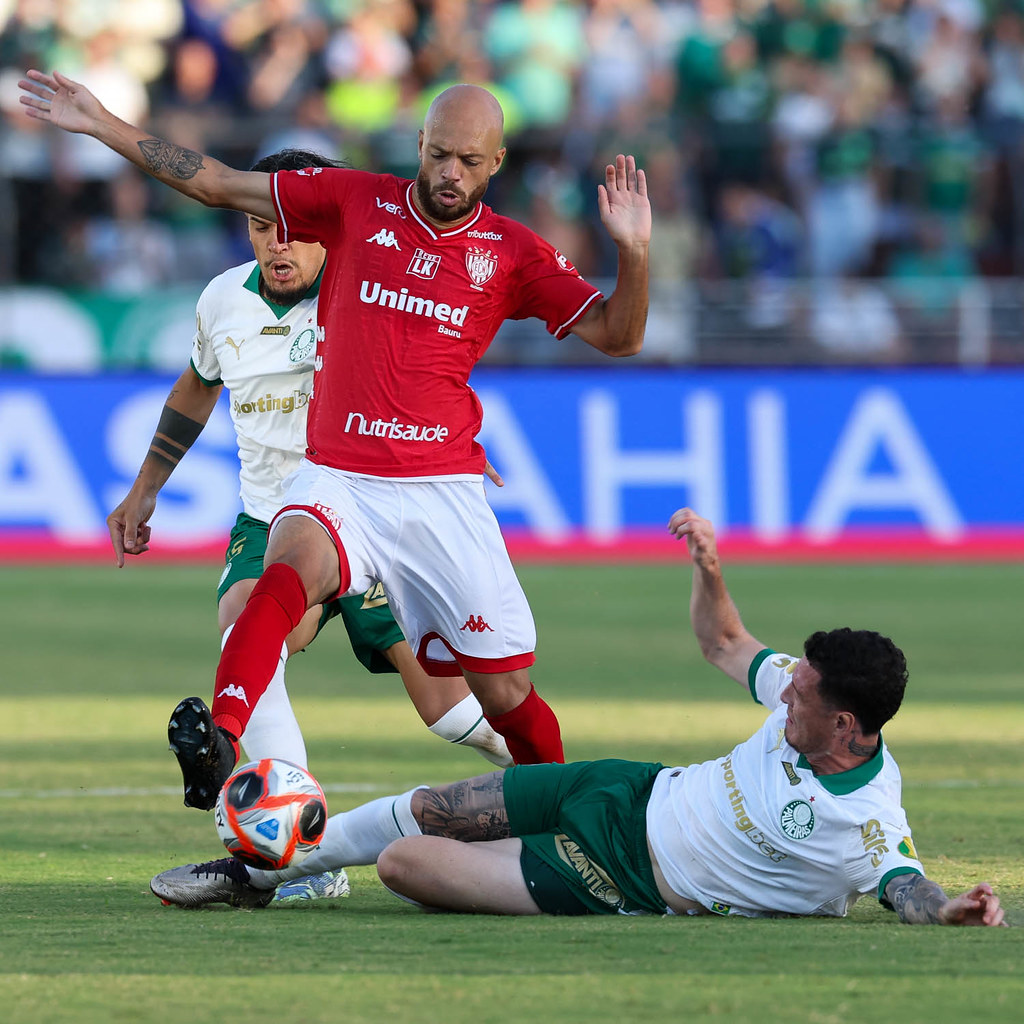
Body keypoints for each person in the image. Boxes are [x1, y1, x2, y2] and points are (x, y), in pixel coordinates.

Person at [21, 73, 650, 794]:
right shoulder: (355, 202)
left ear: (497, 163)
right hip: (338, 476)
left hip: (438, 491)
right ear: (419, 143)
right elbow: (218, 184)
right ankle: (222, 745)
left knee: (497, 695)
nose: (449, 173)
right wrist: (104, 123)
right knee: (277, 582)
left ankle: (570, 804)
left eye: (468, 162)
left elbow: (618, 335)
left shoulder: (512, 254)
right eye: (438, 153)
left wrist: (633, 253)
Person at [150, 508, 1005, 927]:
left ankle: (300, 864)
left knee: (406, 864)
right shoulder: (800, 696)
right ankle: (252, 875)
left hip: (626, 880)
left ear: (850, 727)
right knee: (427, 808)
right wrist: (708, 569)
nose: (787, 690)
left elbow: (905, 888)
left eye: (805, 692)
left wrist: (950, 911)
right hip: (629, 788)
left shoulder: (864, 818)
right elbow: (726, 644)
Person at [106, 147, 512, 802]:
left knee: (450, 711)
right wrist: (145, 488)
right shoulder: (221, 301)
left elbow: (422, 371)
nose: (278, 244)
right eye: (263, 228)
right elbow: (197, 385)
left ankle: (542, 775)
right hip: (273, 518)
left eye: (294, 229)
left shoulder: (372, 294)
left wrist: (448, 440)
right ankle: (296, 839)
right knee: (246, 634)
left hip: (371, 516)